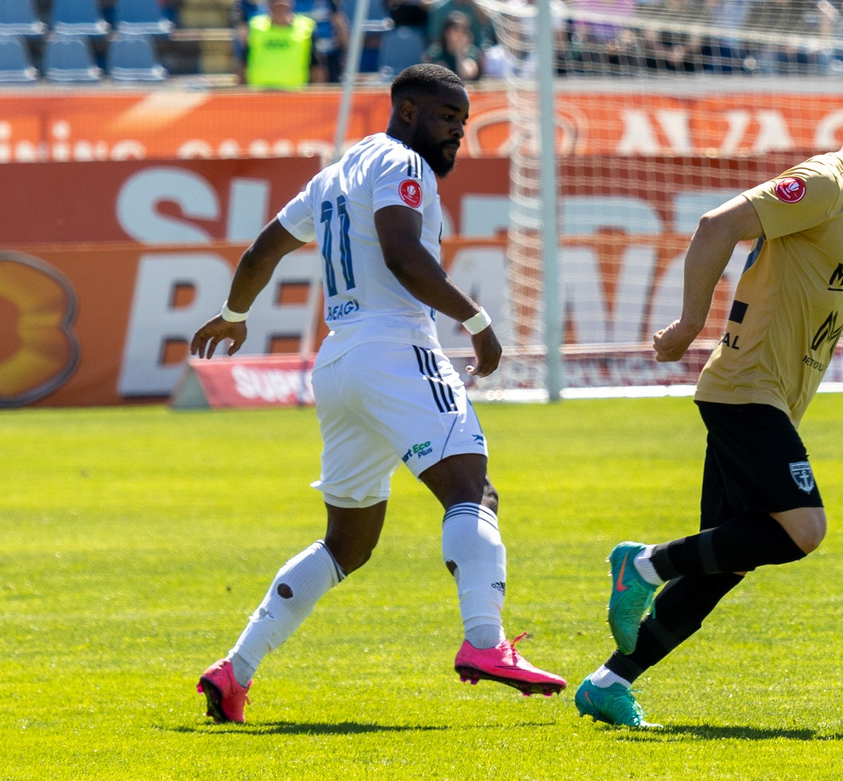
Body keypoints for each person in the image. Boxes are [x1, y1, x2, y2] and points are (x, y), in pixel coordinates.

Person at [578, 71, 843, 727]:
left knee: (724, 563)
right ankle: (640, 565)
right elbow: (715, 225)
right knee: (802, 529)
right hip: (745, 390)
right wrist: (689, 324)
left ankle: (610, 682)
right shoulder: (822, 182)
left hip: (767, 398)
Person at [189, 64, 563, 723]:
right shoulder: (402, 165)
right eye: (449, 119)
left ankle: (234, 670)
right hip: (395, 347)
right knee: (472, 492)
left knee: (347, 544)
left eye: (463, 123)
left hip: (338, 364)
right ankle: (486, 643)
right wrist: (478, 322)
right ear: (410, 110)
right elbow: (402, 254)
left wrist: (236, 313)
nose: (457, 135)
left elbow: (261, 253)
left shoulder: (333, 177)